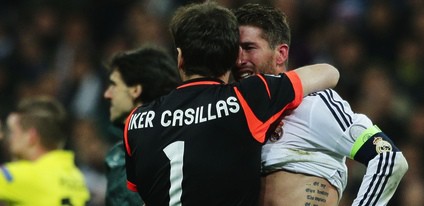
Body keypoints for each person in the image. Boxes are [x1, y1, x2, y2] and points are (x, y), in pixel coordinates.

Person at [123, 2, 339, 205]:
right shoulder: (248, 98)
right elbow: (328, 72)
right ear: (231, 58)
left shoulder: (135, 121)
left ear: (180, 57)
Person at [233, 3, 408, 206]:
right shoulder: (235, 116)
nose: (239, 60)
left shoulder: (313, 104)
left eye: (248, 48)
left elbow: (388, 159)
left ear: (280, 54)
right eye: (234, 50)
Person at [103, 46, 180, 206]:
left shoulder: (137, 156)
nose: (107, 94)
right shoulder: (122, 151)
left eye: (114, 85)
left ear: (136, 90)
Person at [0, 96, 90, 206]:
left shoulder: (21, 176)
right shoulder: (76, 176)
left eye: (13, 131)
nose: (7, 138)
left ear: (31, 136)